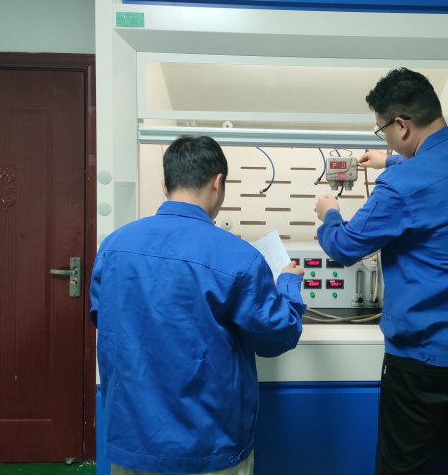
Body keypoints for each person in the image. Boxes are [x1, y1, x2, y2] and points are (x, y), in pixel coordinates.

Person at [315, 68, 448, 475]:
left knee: (402, 465)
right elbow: (442, 167)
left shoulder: (401, 186)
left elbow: (345, 247)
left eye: (383, 133)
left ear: (402, 125)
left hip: (427, 359)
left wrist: (329, 214)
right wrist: (390, 159)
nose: (386, 140)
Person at [90, 135, 306, 475]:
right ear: (218, 183)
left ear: (165, 184)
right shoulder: (238, 257)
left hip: (133, 444)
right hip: (208, 448)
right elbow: (278, 335)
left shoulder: (114, 246)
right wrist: (289, 284)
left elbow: (104, 318)